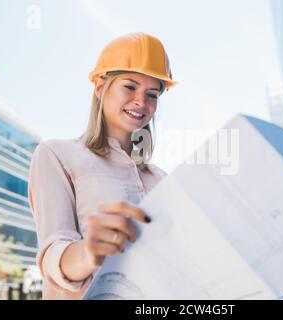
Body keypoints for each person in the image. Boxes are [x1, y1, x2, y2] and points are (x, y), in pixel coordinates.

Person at [28, 32, 176, 299]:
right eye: (129, 87)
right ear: (99, 86)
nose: (141, 102)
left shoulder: (162, 179)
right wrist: (88, 251)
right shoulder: (57, 155)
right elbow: (53, 254)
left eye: (152, 94)